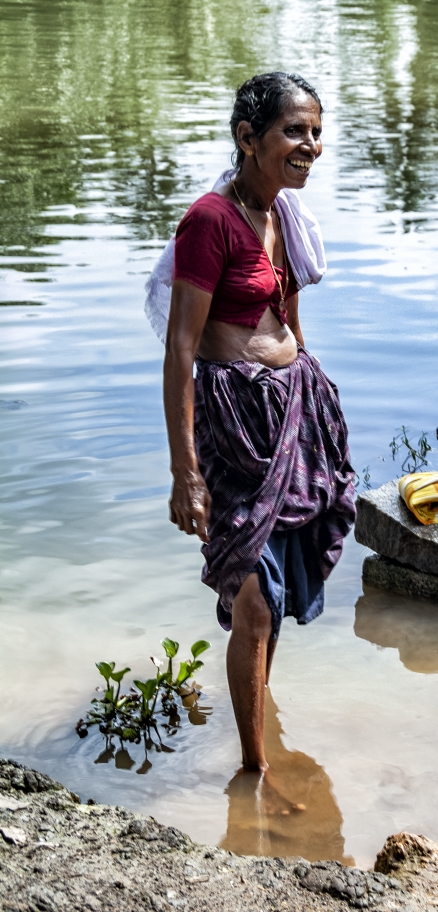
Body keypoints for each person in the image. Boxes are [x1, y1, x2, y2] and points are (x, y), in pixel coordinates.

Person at [161, 72, 356, 776]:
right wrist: (186, 473)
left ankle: (259, 731)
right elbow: (181, 348)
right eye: (293, 131)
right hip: (232, 427)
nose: (310, 145)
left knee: (272, 595)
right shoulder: (209, 222)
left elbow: (289, 325)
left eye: (315, 130)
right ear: (248, 138)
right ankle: (255, 775)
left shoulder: (284, 216)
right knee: (250, 593)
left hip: (290, 417)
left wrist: (313, 392)